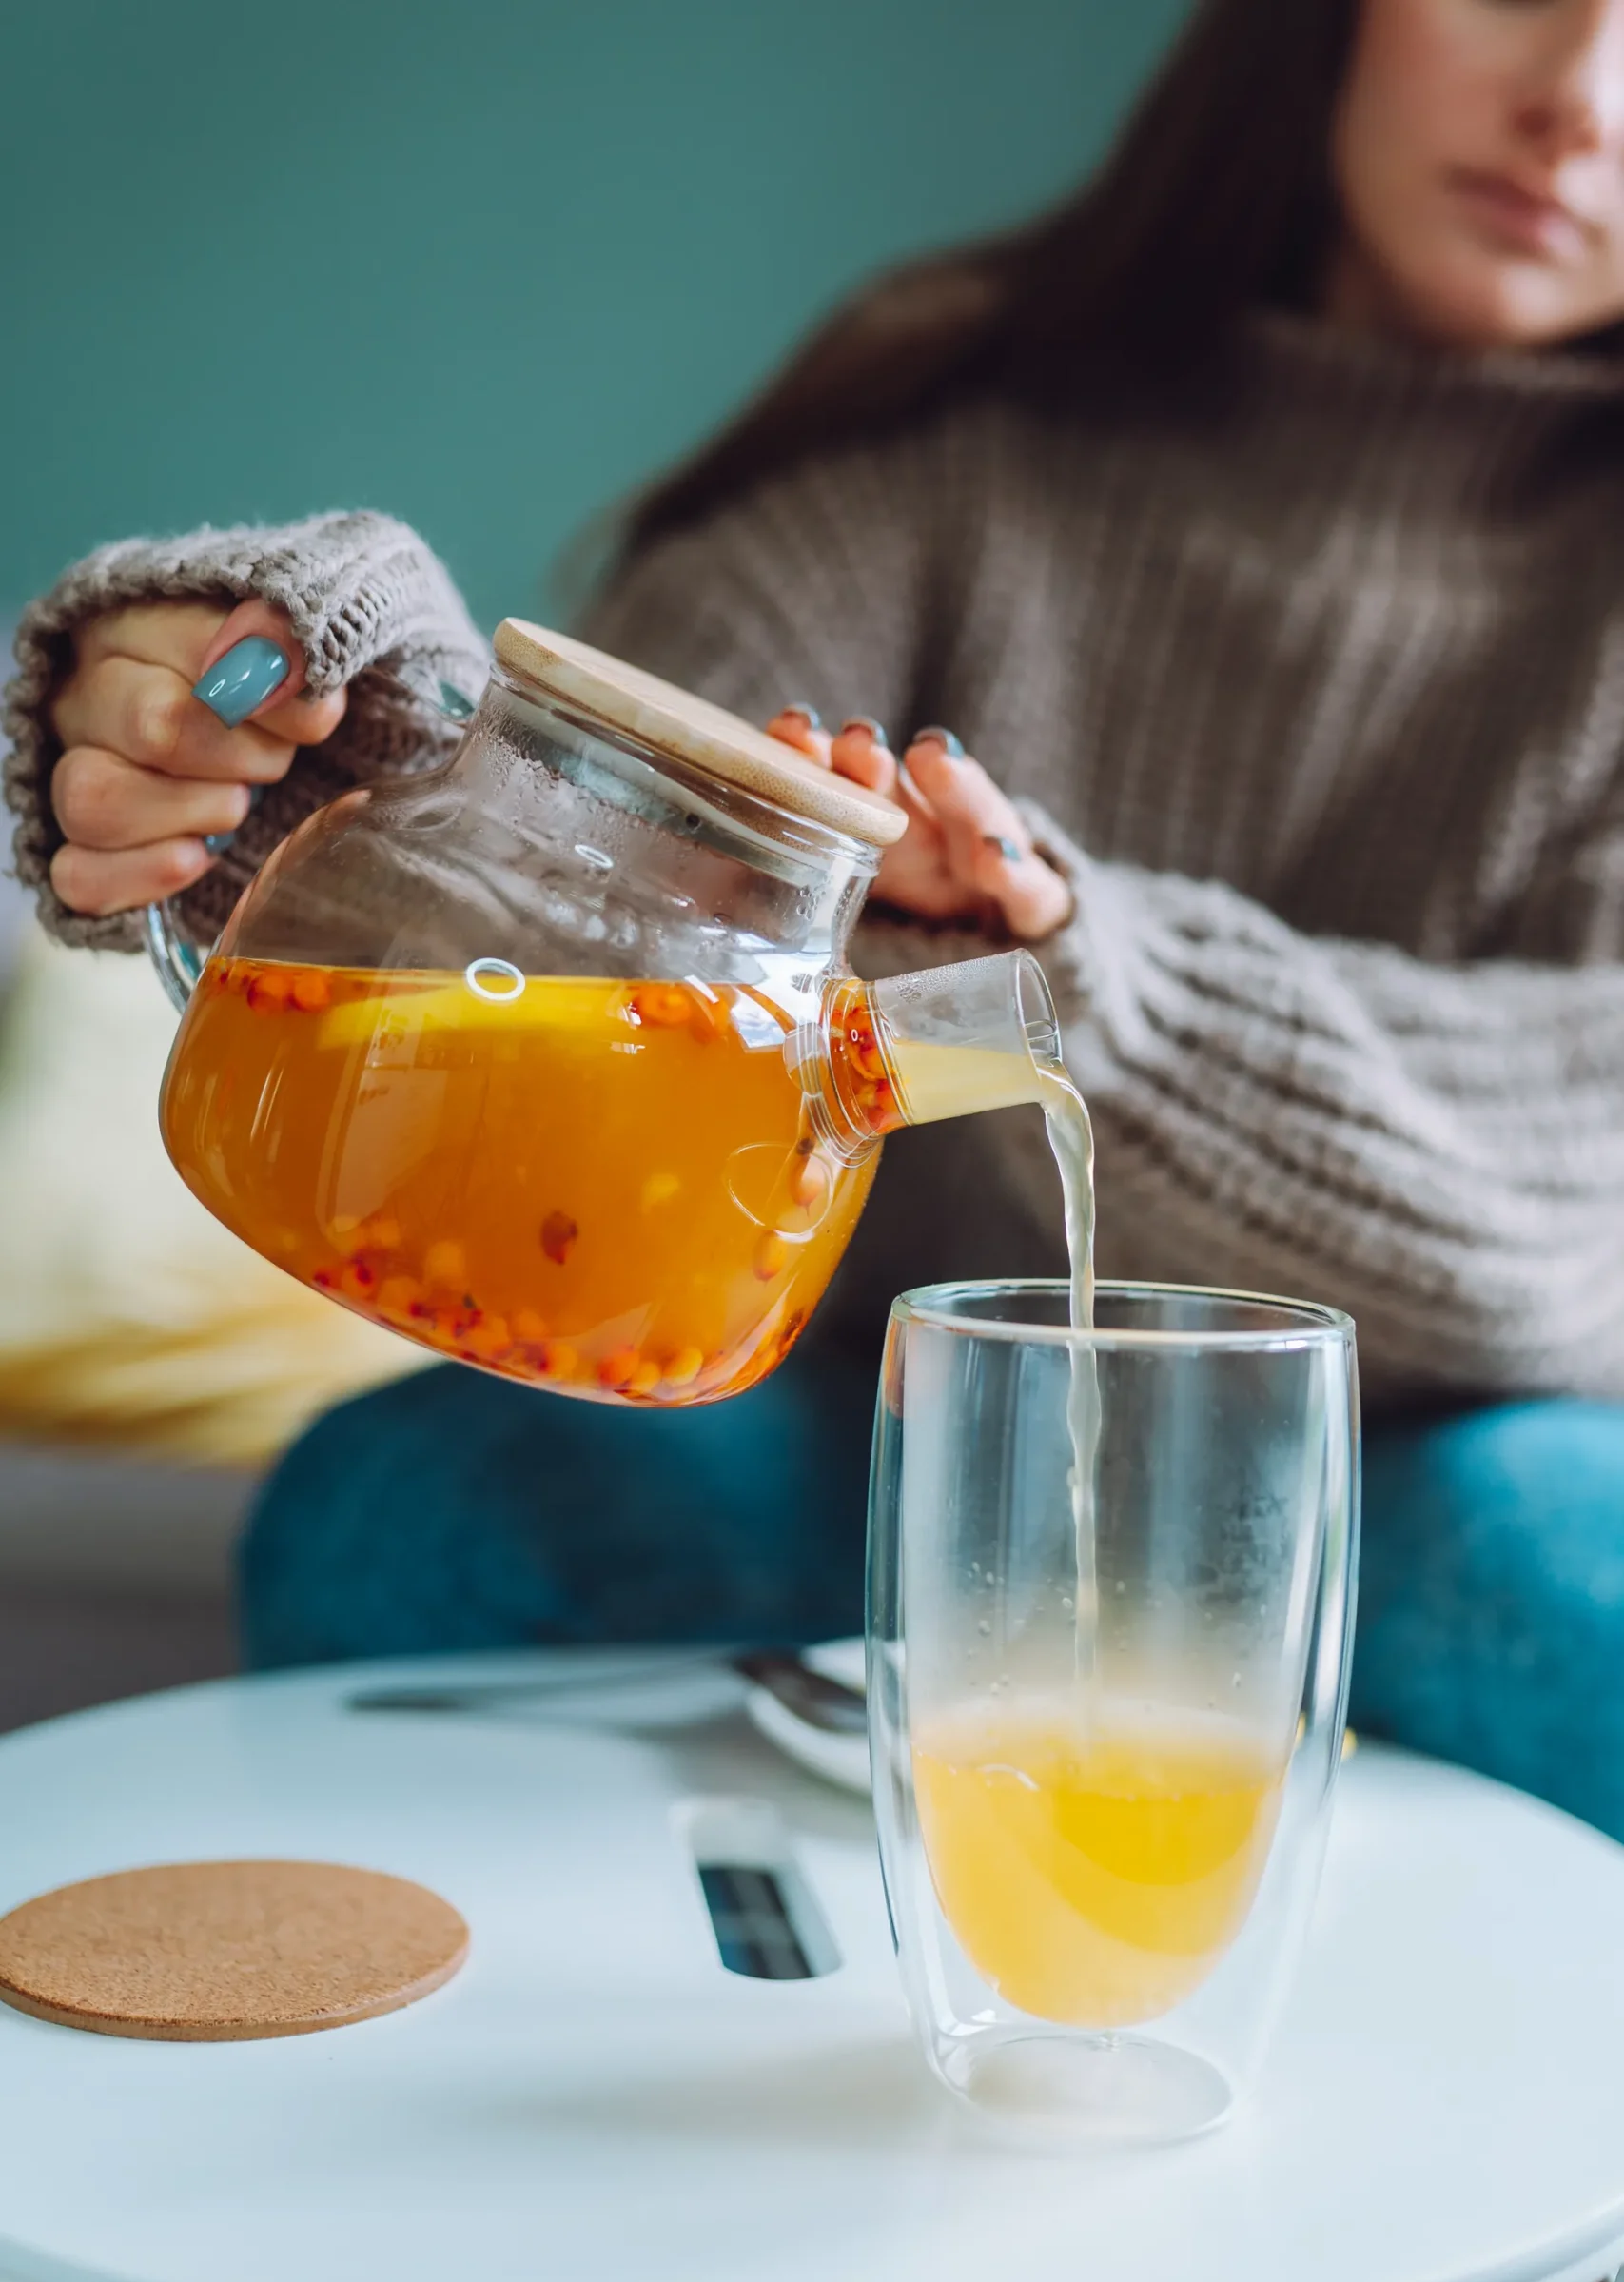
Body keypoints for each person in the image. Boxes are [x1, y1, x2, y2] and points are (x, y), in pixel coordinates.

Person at [7, 0, 1624, 1846]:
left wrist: (1085, 978)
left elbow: (1589, 1172)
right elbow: (582, 887)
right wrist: (309, 764)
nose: (1577, 101)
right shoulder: (955, 452)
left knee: (1561, 1571)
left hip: (1431, 1473)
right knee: (420, 1503)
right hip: (875, 1421)